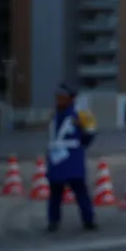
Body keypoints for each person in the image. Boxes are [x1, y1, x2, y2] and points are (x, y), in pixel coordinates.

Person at [47, 83, 98, 232]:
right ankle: (53, 221)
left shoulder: (81, 113)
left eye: (62, 97)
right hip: (57, 158)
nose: (59, 100)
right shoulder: (54, 114)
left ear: (71, 98)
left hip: (72, 157)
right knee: (55, 193)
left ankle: (88, 221)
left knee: (80, 191)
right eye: (58, 97)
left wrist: (80, 144)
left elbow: (90, 132)